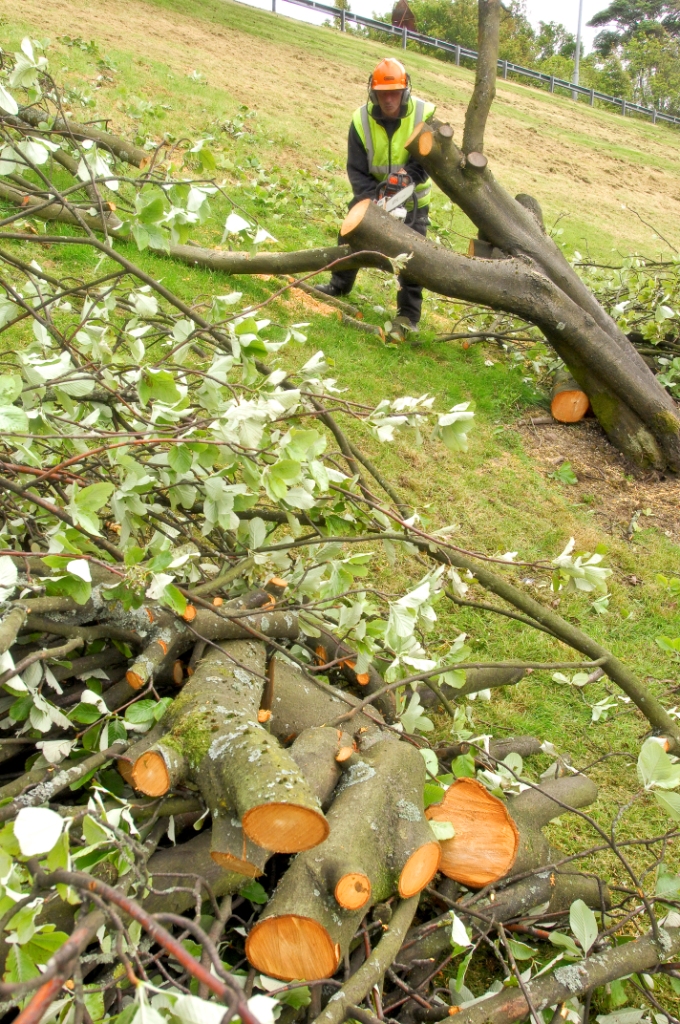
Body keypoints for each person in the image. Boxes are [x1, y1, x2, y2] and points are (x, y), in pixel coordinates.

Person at [316, 57, 436, 337]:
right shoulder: (360, 120)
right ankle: (340, 284)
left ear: (405, 91)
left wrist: (408, 178)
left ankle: (408, 315)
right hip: (374, 193)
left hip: (415, 199)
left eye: (394, 92)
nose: (389, 99)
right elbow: (356, 169)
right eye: (383, 94)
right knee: (351, 232)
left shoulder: (424, 114)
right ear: (374, 93)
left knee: (412, 258)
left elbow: (430, 159)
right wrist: (373, 200)